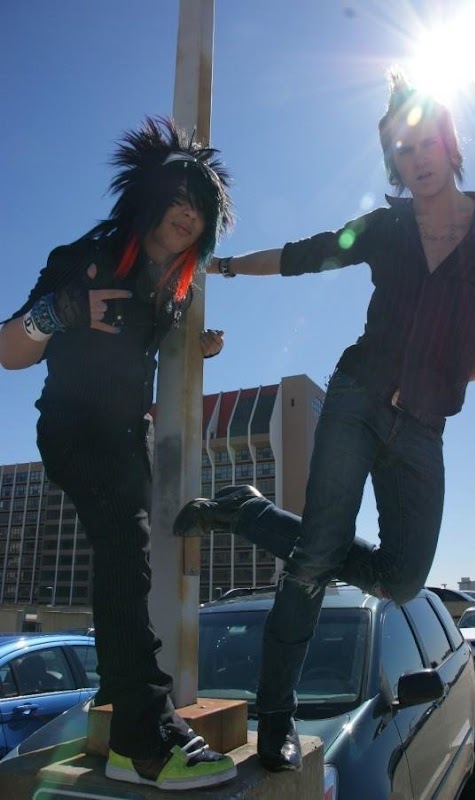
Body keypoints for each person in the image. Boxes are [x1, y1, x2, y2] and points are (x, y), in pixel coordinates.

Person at [174, 71, 475, 773]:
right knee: (313, 560)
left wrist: (448, 379)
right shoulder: (386, 227)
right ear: (393, 160)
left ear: (451, 144)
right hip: (356, 399)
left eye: (427, 142)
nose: (417, 158)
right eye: (403, 149)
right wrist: (226, 266)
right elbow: (304, 255)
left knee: (402, 580)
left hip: (424, 427)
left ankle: (245, 510)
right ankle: (276, 712)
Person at [0, 117, 238, 791]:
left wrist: (197, 348)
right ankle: (141, 736)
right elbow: (9, 351)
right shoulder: (87, 256)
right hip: (73, 430)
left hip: (128, 437)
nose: (188, 214)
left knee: (129, 558)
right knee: (124, 551)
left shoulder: (173, 288)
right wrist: (61, 311)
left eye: (201, 207)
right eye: (177, 199)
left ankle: (136, 711)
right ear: (147, 199)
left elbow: (145, 359)